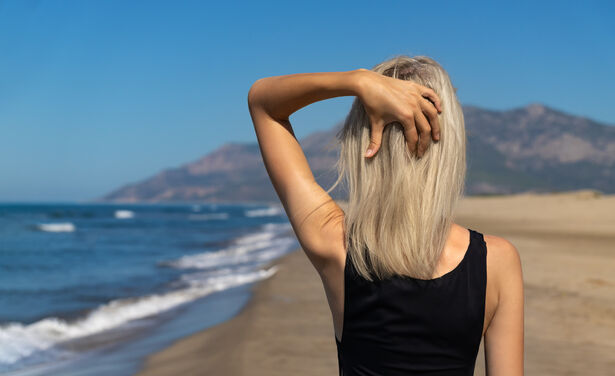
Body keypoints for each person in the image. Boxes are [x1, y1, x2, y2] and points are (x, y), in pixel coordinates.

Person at [247, 55, 524, 375]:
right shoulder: (497, 261)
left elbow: (263, 103)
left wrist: (356, 81)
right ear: (449, 142)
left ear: (364, 141)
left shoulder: (337, 244)